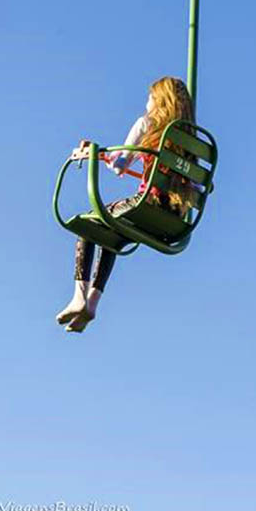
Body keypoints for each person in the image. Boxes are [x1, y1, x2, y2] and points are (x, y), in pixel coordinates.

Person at [56, 75, 197, 333]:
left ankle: (80, 296)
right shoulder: (190, 139)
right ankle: (92, 304)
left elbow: (120, 165)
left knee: (90, 221)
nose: (146, 102)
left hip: (147, 204)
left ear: (158, 99)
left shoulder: (147, 124)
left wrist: (94, 153)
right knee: (112, 229)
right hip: (175, 217)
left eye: (150, 97)